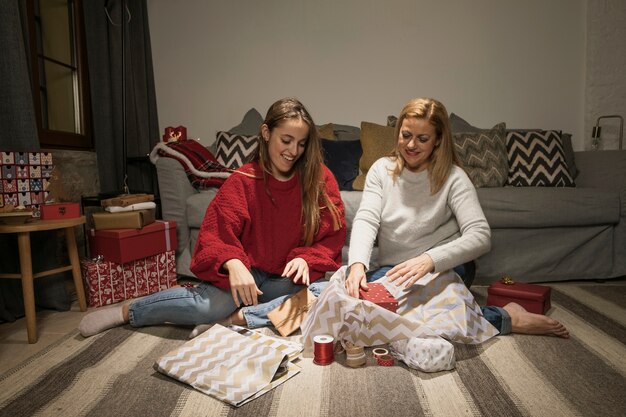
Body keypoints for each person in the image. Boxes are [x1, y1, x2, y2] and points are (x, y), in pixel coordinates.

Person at [78, 97, 346, 337]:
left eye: (301, 144)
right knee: (206, 306)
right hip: (247, 275)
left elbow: (333, 235)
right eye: (286, 140)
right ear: (266, 133)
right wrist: (233, 262)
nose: (293, 151)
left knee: (323, 295)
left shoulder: (319, 179)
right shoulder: (243, 180)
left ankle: (235, 320)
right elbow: (215, 233)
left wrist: (305, 258)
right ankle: (128, 311)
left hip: (286, 281)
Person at [345, 97, 569, 338]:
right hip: (396, 270)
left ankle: (507, 318)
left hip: (445, 266)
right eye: (406, 135)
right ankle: (501, 315)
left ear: (438, 140)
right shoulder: (381, 169)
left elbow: (481, 236)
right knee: (340, 295)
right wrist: (357, 264)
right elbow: (367, 219)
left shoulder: (454, 176)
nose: (411, 145)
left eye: (422, 139)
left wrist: (430, 259)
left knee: (388, 312)